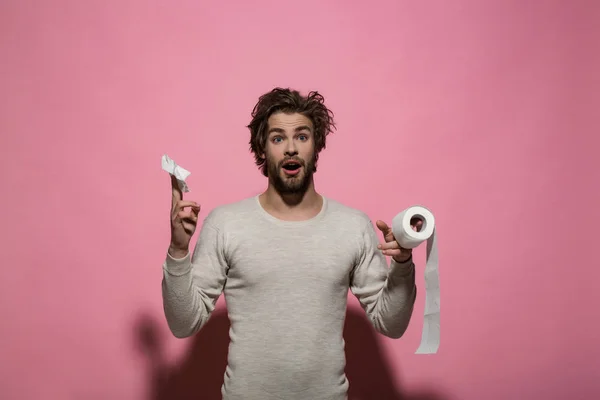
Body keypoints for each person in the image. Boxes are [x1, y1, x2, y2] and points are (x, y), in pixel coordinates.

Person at [161, 88, 421, 400]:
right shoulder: (226, 223)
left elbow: (391, 324)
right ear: (263, 148)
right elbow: (183, 323)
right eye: (277, 138)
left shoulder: (352, 226)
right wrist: (178, 251)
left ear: (316, 145)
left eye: (301, 136)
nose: (290, 148)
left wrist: (402, 266)